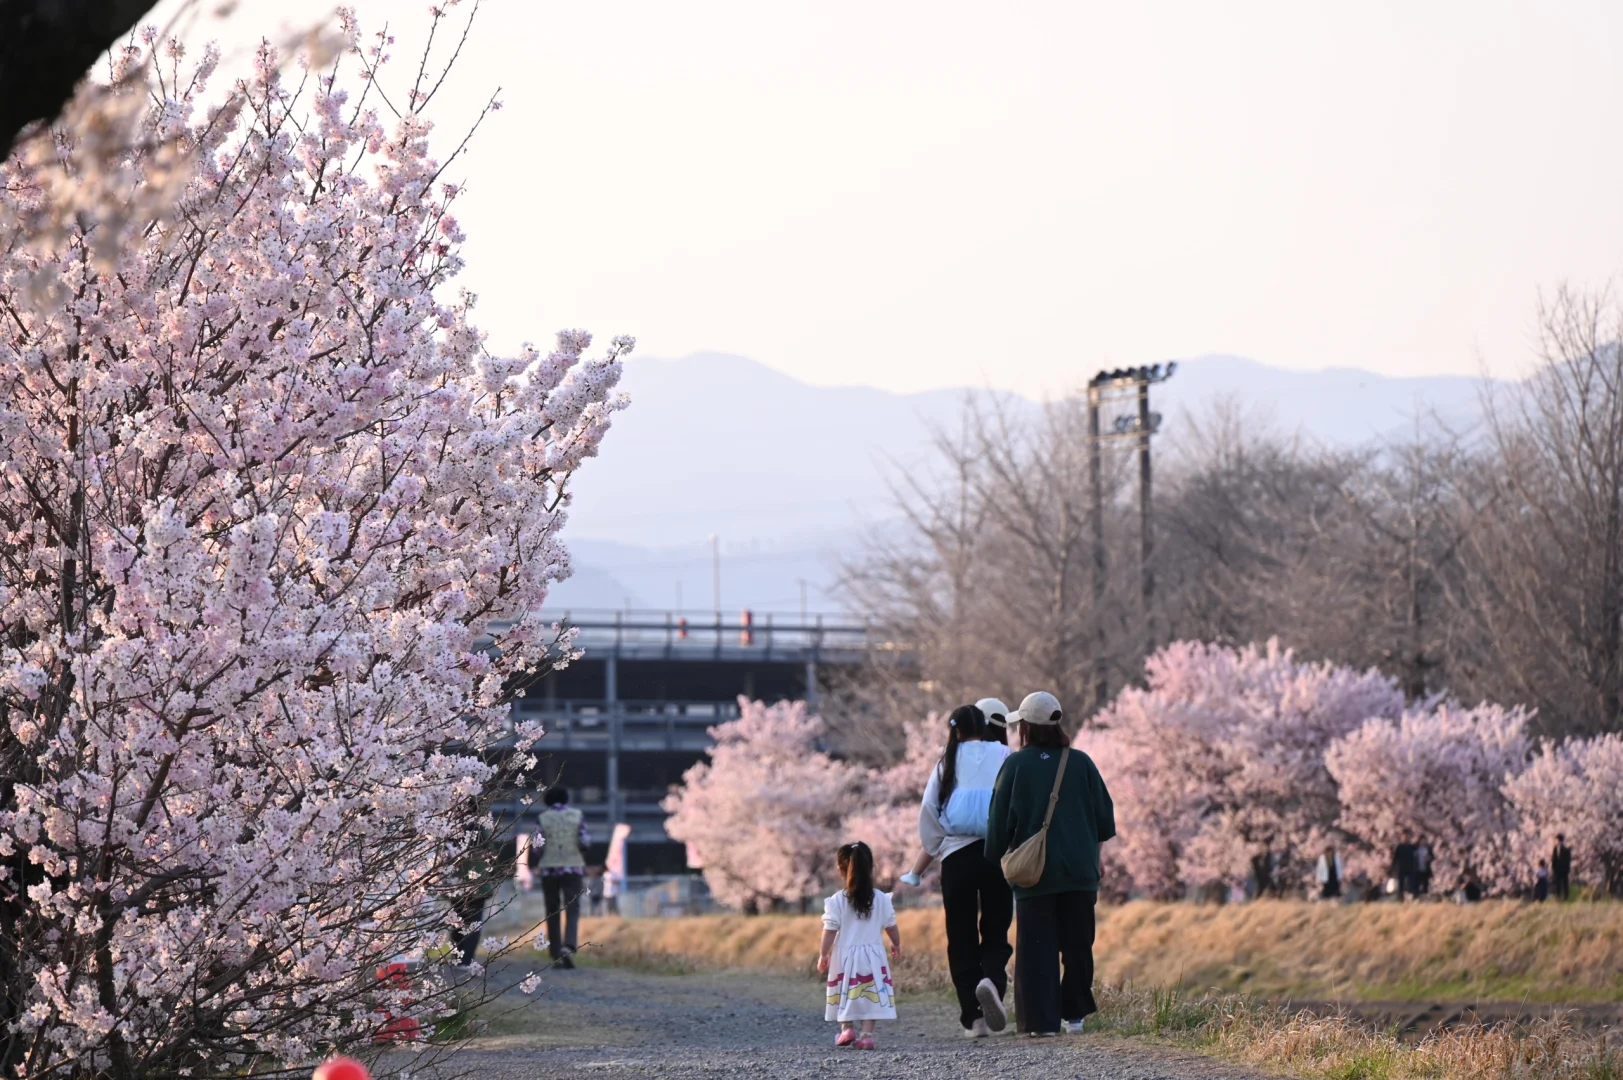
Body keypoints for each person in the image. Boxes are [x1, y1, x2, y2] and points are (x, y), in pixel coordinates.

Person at [986, 691, 1115, 1037]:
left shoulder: (1015, 766)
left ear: (1025, 727)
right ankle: (1074, 1015)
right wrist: (1094, 857)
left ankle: (1040, 1022)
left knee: (1036, 949)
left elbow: (998, 823)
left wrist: (996, 857)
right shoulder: (1082, 763)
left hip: (1035, 875)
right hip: (1079, 871)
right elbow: (1105, 820)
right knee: (1077, 946)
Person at [899, 703, 1013, 1037]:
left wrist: (936, 845)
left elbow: (929, 807)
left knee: (960, 936)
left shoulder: (947, 759)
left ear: (957, 730)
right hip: (995, 855)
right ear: (986, 726)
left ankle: (973, 1018)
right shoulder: (1004, 754)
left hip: (957, 857)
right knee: (995, 929)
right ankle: (992, 980)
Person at [818, 842, 902, 1051]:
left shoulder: (837, 901)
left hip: (844, 955)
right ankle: (867, 1035)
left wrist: (823, 954)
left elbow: (829, 930)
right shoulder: (882, 899)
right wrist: (896, 944)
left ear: (841, 870)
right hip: (873, 955)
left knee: (845, 989)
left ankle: (847, 1028)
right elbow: (891, 926)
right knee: (870, 992)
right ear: (870, 868)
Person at [536, 786, 589, 969]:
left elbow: (537, 846)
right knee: (572, 908)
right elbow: (584, 841)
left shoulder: (543, 818)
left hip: (549, 869)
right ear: (566, 799)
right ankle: (569, 945)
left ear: (548, 801)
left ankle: (556, 952)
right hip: (573, 867)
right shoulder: (577, 815)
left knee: (552, 910)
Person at [1552, 834, 1573, 901]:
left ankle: (1566, 897)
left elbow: (1568, 860)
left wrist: (1567, 869)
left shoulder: (1566, 849)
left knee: (1565, 884)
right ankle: (1558, 897)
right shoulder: (1555, 849)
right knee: (1557, 884)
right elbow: (1553, 859)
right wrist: (1553, 868)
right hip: (1557, 870)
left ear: (1559, 840)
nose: (1555, 841)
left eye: (1556, 840)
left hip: (1564, 870)